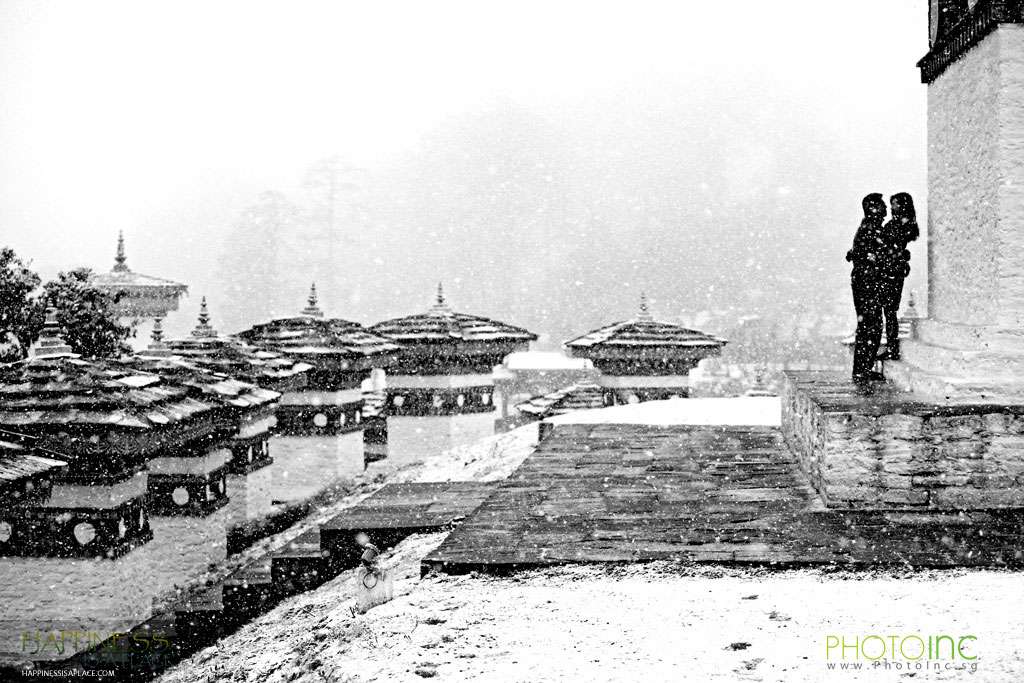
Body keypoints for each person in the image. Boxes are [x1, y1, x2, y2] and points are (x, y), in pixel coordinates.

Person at [846, 193, 887, 385]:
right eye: (882, 206)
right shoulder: (871, 230)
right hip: (867, 283)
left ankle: (863, 368)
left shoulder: (869, 229)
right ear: (874, 209)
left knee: (870, 326)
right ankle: (862, 370)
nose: (886, 210)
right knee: (870, 326)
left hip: (866, 282)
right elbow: (863, 255)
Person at [877, 192, 919, 360]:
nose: (891, 206)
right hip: (892, 270)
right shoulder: (903, 224)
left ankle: (892, 347)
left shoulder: (899, 225)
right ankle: (892, 346)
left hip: (891, 271)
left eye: (894, 203)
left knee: (889, 310)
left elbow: (890, 246)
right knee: (889, 310)